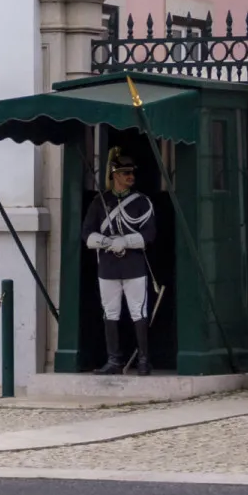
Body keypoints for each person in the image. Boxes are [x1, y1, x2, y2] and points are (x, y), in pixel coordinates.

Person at [82, 148, 158, 376]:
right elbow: (87, 233)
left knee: (138, 311)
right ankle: (114, 360)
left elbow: (149, 234)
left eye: (131, 173)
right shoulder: (100, 202)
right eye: (125, 173)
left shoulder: (142, 203)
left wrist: (125, 241)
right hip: (108, 267)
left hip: (133, 265)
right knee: (110, 312)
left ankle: (144, 360)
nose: (130, 177)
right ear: (115, 175)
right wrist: (106, 242)